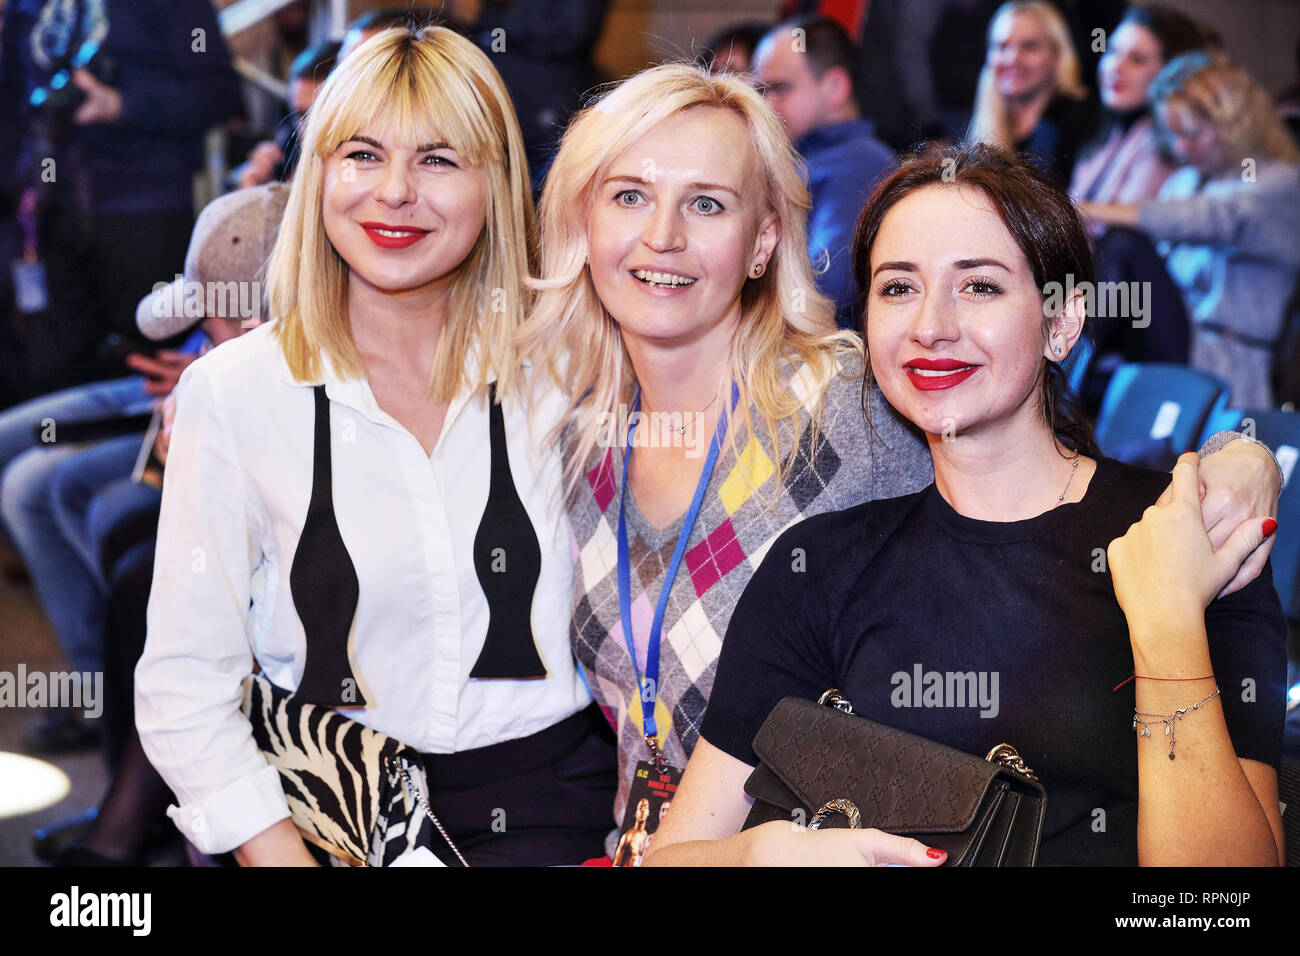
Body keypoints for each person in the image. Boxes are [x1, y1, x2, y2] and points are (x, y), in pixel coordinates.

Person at [517, 63, 1280, 862]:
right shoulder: (595, 448)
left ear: (1063, 324)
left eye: (980, 287)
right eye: (897, 288)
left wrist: (1183, 583)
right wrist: (767, 854)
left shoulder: (1181, 545)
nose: (931, 328)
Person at [134, 25, 616, 868]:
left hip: (551, 809)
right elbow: (185, 678)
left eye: (438, 160)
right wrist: (276, 853)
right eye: (361, 154)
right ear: (317, 171)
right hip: (320, 812)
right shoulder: (236, 392)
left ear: (495, 182)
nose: (394, 193)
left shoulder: (576, 365)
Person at [1080, 52, 1300, 408]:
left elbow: (1211, 219)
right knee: (1113, 265)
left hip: (1223, 361)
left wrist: (1084, 209)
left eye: (1192, 133)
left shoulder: (1281, 185)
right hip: (1169, 343)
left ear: (1235, 123)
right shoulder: (1184, 180)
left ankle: (1059, 366)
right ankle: (1061, 369)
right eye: (1173, 134)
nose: (1181, 147)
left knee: (1126, 247)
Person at [752, 16, 896, 328]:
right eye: (760, 90)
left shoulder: (857, 164)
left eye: (779, 88)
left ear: (835, 87)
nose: (765, 103)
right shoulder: (806, 158)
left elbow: (827, 287)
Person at [968, 1, 1097, 186]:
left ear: (1057, 56)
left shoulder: (1087, 119)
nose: (1012, 58)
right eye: (1001, 46)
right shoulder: (981, 125)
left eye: (1029, 46)